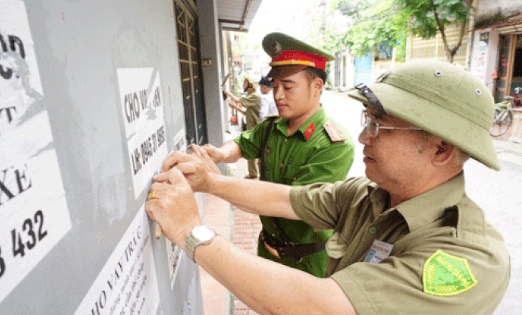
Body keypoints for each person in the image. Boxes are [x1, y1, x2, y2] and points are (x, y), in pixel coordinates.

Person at [146, 59, 510, 314]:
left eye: (381, 126)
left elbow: (315, 307)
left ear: (441, 149)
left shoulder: (468, 258)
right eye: (369, 120)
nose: (364, 136)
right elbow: (286, 198)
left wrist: (190, 231)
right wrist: (208, 181)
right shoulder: (370, 196)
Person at [201, 32, 355, 277]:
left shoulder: (333, 144)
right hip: (268, 251)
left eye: (288, 86)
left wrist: (210, 183)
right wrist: (218, 154)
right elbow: (242, 144)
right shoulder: (272, 127)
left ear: (317, 86)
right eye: (275, 86)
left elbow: (289, 203)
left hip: (308, 263)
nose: (278, 95)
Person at [223, 76, 262, 179]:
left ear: (250, 85)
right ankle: (253, 173)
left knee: (257, 153)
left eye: (245, 83)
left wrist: (228, 93)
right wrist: (235, 107)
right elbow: (246, 113)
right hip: (252, 129)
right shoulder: (251, 97)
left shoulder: (254, 96)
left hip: (256, 129)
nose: (243, 85)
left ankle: (258, 175)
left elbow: (238, 100)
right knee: (251, 151)